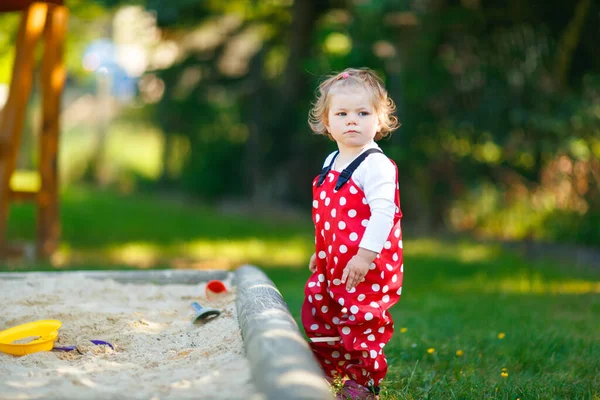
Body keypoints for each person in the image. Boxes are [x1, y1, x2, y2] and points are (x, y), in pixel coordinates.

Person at [301, 67, 404, 400]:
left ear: (379, 120)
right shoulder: (332, 160)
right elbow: (326, 215)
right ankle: (328, 370)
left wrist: (364, 255)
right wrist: (321, 251)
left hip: (367, 265)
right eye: (342, 114)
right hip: (334, 261)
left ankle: (365, 381)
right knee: (322, 306)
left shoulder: (375, 164)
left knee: (360, 319)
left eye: (363, 113)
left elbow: (384, 212)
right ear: (327, 123)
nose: (352, 121)